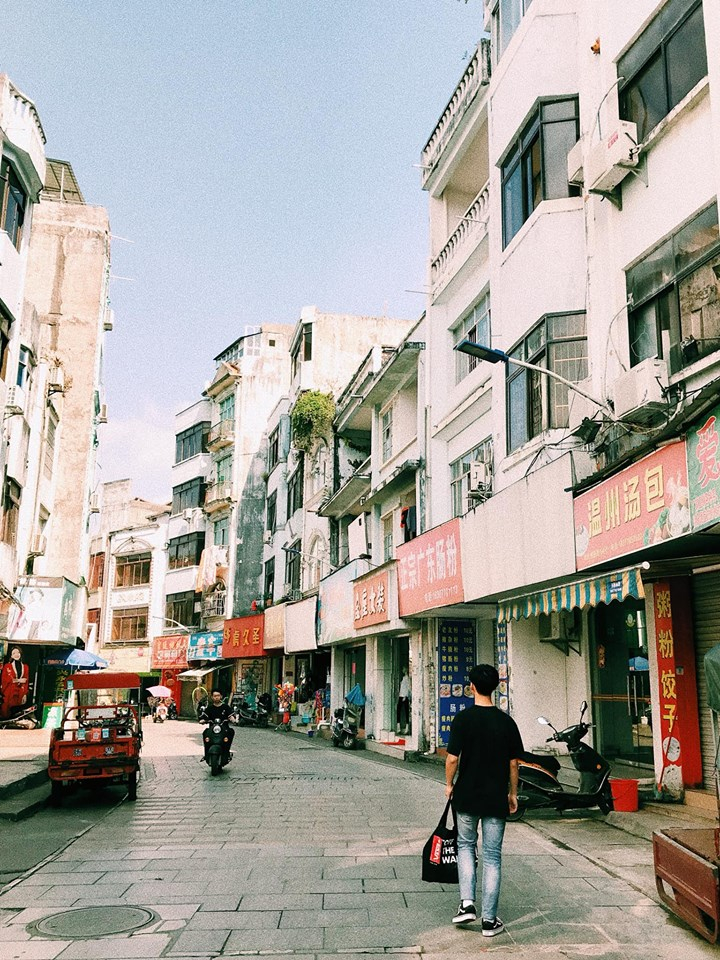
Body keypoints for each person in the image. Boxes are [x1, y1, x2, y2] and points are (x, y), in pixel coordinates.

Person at [445, 663, 523, 937]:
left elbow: (452, 759)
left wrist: (449, 785)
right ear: (496, 687)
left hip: (467, 795)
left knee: (466, 846)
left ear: (472, 687)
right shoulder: (506, 722)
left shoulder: (463, 720)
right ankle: (489, 921)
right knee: (492, 856)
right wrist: (512, 793)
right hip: (495, 798)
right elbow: (513, 763)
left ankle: (467, 904)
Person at [198, 689, 235, 759]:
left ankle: (227, 752)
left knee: (231, 732)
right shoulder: (209, 708)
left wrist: (233, 719)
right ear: (212, 697)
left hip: (224, 728)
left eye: (218, 695)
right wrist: (202, 720)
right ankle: (206, 754)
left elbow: (231, 716)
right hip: (212, 729)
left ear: (221, 696)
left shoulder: (226, 707)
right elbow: (203, 717)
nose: (216, 697)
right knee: (205, 733)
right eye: (214, 696)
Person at [1, 647, 30, 720]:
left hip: (20, 692)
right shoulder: (7, 666)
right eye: (14, 653)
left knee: (18, 711)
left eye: (18, 652)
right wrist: (18, 680)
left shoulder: (25, 667)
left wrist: (25, 694)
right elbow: (4, 680)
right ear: (11, 656)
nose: (16, 654)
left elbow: (26, 681)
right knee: (6, 710)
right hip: (9, 692)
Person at [396, 668, 411, 735]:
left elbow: (408, 688)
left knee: (406, 711)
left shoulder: (407, 678)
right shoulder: (403, 678)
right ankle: (398, 727)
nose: (402, 670)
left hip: (404, 696)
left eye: (403, 669)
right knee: (399, 711)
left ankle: (407, 728)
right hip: (401, 695)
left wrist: (405, 696)